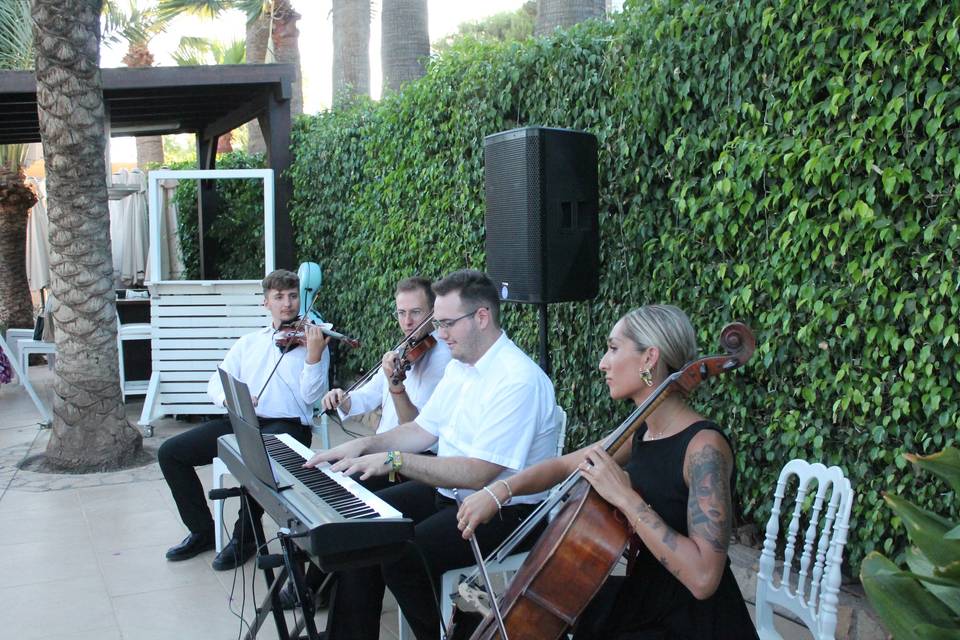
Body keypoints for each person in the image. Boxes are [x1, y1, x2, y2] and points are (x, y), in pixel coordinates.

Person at [457, 305, 758, 640]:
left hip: (694, 622)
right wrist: (499, 492)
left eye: (614, 349)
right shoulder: (642, 431)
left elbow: (703, 580)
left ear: (649, 359)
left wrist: (625, 498)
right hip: (648, 594)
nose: (603, 362)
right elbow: (563, 465)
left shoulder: (704, 448)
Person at [304, 269, 559, 640]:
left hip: (506, 511)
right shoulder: (461, 367)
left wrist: (394, 460)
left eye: (447, 323)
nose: (439, 333)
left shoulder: (518, 379)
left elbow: (478, 473)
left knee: (403, 559)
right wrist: (360, 445)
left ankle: (456, 632)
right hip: (454, 496)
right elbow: (423, 430)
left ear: (482, 317)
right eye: (438, 323)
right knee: (359, 530)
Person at [280, 276, 452, 608]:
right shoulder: (405, 350)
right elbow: (367, 397)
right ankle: (318, 583)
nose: (407, 322)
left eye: (416, 312)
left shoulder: (443, 361)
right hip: (382, 452)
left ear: (434, 312)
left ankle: (314, 586)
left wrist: (396, 386)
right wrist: (343, 400)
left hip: (413, 462)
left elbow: (416, 430)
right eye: (401, 313)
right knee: (329, 485)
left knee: (342, 498)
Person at [158, 269, 329, 570]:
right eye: (279, 297)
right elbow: (215, 381)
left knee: (258, 459)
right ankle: (201, 530)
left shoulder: (312, 342)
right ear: (266, 304)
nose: (287, 303)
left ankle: (245, 538)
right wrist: (230, 400)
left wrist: (314, 357)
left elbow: (309, 396)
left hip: (288, 426)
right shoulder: (248, 343)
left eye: (292, 296)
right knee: (170, 453)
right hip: (243, 420)